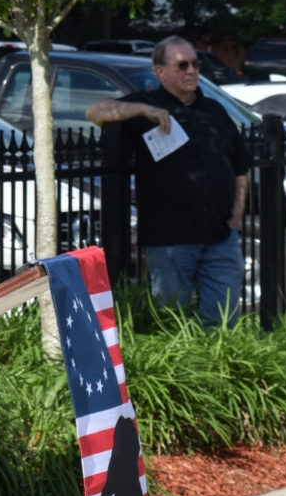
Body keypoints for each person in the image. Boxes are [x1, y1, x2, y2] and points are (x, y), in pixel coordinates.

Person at [85, 35, 250, 326]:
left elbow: (240, 167)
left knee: (223, 320)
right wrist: (143, 110)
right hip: (170, 240)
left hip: (221, 237)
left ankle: (217, 371)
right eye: (182, 65)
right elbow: (94, 111)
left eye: (195, 64)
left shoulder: (214, 111)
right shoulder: (146, 106)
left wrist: (236, 214)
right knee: (173, 320)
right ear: (160, 72)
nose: (192, 71)